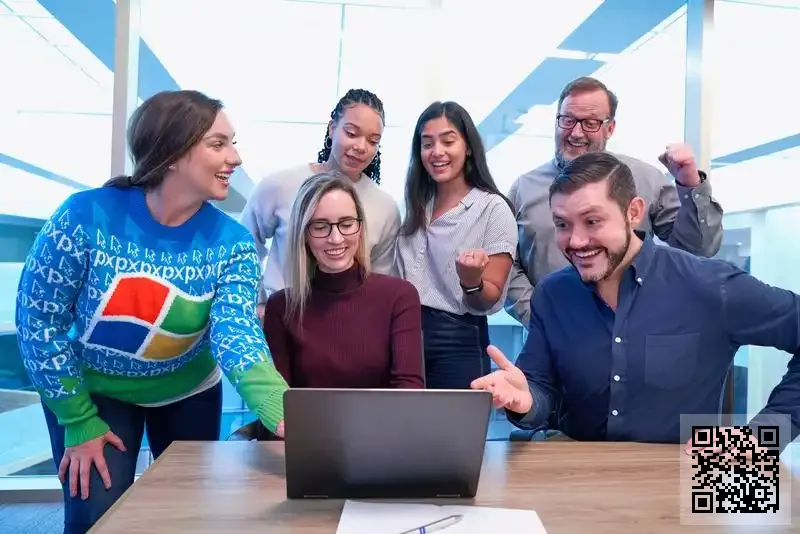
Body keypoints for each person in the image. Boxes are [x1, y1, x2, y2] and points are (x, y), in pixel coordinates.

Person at [14, 90, 288, 534]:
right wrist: (77, 419)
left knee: (186, 520)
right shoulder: (84, 217)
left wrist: (280, 406)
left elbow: (236, 331)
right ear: (174, 153)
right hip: (96, 391)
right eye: (218, 144)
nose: (235, 157)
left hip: (188, 390)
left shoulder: (233, 244)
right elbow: (38, 323)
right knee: (94, 520)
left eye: (233, 143)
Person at [471, 152, 799, 450]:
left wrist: (763, 436)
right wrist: (525, 400)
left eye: (592, 221)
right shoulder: (553, 294)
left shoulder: (710, 286)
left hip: (685, 477)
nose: (576, 241)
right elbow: (540, 390)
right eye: (562, 225)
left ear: (634, 212)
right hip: (577, 475)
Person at [504, 76, 724, 327]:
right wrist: (538, 315)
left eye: (590, 123)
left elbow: (699, 248)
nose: (576, 133)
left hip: (634, 335)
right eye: (568, 120)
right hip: (549, 339)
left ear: (610, 128)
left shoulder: (645, 180)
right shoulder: (524, 189)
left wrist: (690, 184)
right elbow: (505, 264)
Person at [239, 88, 401, 319]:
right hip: (280, 319)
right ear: (332, 128)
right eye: (351, 133)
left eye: (373, 141)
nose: (361, 147)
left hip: (344, 324)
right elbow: (243, 246)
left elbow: (379, 281)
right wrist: (258, 302)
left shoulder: (385, 208)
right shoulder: (279, 185)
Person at [263, 171, 423, 393]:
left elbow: (409, 391)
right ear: (304, 235)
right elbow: (281, 401)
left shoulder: (399, 296)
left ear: (360, 228)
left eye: (346, 224)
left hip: (386, 418)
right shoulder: (281, 307)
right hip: (309, 418)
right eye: (320, 227)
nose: (336, 238)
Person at [395, 101, 518, 389]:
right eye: (427, 144)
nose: (437, 152)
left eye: (448, 141)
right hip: (402, 333)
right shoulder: (415, 203)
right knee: (397, 418)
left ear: (469, 147)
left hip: (456, 340)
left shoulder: (493, 208)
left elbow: (488, 299)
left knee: (454, 419)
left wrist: (471, 281)